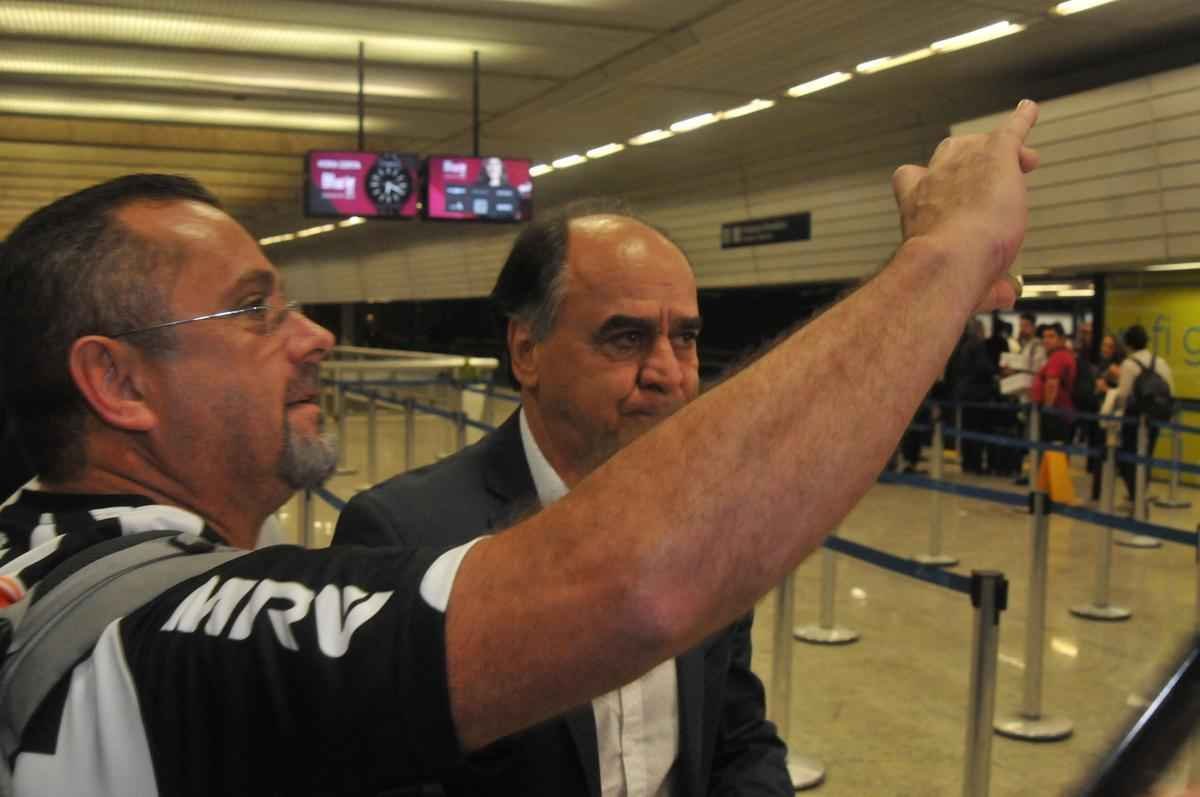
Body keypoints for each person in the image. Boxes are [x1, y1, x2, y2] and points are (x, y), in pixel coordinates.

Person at [0, 97, 1042, 796]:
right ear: (119, 381)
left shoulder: (34, 551)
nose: (315, 337)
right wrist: (941, 259)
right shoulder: (192, 634)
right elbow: (640, 580)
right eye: (255, 309)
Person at [334, 199, 790, 796]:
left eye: (685, 338)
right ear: (526, 352)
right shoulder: (403, 537)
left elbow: (736, 736)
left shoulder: (709, 524)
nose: (668, 373)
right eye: (627, 338)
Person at [1114, 323, 1176, 505]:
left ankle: (1135, 495)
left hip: (1134, 417)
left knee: (1126, 457)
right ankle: (1141, 492)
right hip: (1155, 415)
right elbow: (1170, 389)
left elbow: (1124, 394)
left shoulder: (1129, 364)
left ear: (1128, 344)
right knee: (1146, 454)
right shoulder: (1161, 362)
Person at [1031, 322, 1077, 444]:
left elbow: (1052, 384)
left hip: (1056, 415)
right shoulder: (1061, 355)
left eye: (1051, 336)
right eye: (1044, 336)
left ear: (1062, 339)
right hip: (1061, 414)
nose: (1046, 340)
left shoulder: (1059, 357)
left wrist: (1047, 410)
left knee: (1054, 455)